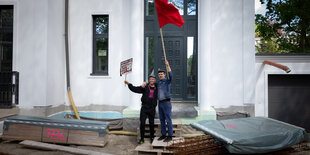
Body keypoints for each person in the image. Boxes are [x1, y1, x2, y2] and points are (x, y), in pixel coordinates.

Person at [142, 60, 173, 142]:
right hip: (160, 104)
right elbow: (151, 83)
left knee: (168, 119)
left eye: (161, 74)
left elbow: (171, 75)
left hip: (167, 103)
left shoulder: (167, 81)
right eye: (159, 74)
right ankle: (163, 134)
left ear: (164, 75)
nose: (160, 75)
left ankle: (170, 135)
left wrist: (168, 65)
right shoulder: (158, 83)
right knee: (162, 120)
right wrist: (145, 83)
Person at [124, 75, 158, 144]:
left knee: (152, 123)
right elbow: (135, 89)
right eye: (150, 79)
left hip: (152, 108)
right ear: (149, 80)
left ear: (155, 80)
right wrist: (129, 84)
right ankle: (142, 138)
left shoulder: (157, 87)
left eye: (153, 79)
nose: (151, 80)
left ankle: (152, 137)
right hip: (144, 108)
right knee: (142, 123)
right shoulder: (145, 87)